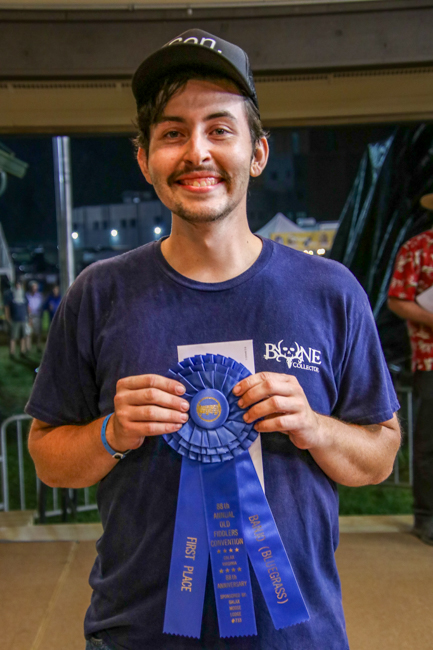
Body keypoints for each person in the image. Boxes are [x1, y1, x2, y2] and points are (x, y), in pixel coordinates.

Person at [27, 30, 400, 650]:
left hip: (297, 635)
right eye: (172, 133)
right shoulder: (98, 294)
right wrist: (109, 435)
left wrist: (314, 426)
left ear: (257, 153)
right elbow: (45, 455)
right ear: (144, 158)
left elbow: (381, 453)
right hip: (139, 634)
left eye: (219, 129)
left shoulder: (331, 292)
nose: (196, 152)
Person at [388, 191, 433, 546]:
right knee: (429, 439)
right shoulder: (417, 248)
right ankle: (426, 516)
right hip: (430, 359)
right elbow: (397, 299)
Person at [4, 278, 30, 358]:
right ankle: (12, 352)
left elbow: (27, 306)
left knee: (23, 336)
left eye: (19, 284)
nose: (18, 285)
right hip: (14, 319)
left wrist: (29, 316)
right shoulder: (10, 294)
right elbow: (7, 307)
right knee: (13, 337)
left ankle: (22, 351)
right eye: (17, 284)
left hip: (23, 318)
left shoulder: (23, 294)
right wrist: (7, 317)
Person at [26, 280, 44, 351]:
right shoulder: (27, 295)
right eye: (33, 287)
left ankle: (38, 346)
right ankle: (28, 348)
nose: (34, 288)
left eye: (35, 287)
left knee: (38, 333)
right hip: (29, 316)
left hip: (37, 316)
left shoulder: (40, 296)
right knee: (28, 332)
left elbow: (41, 305)